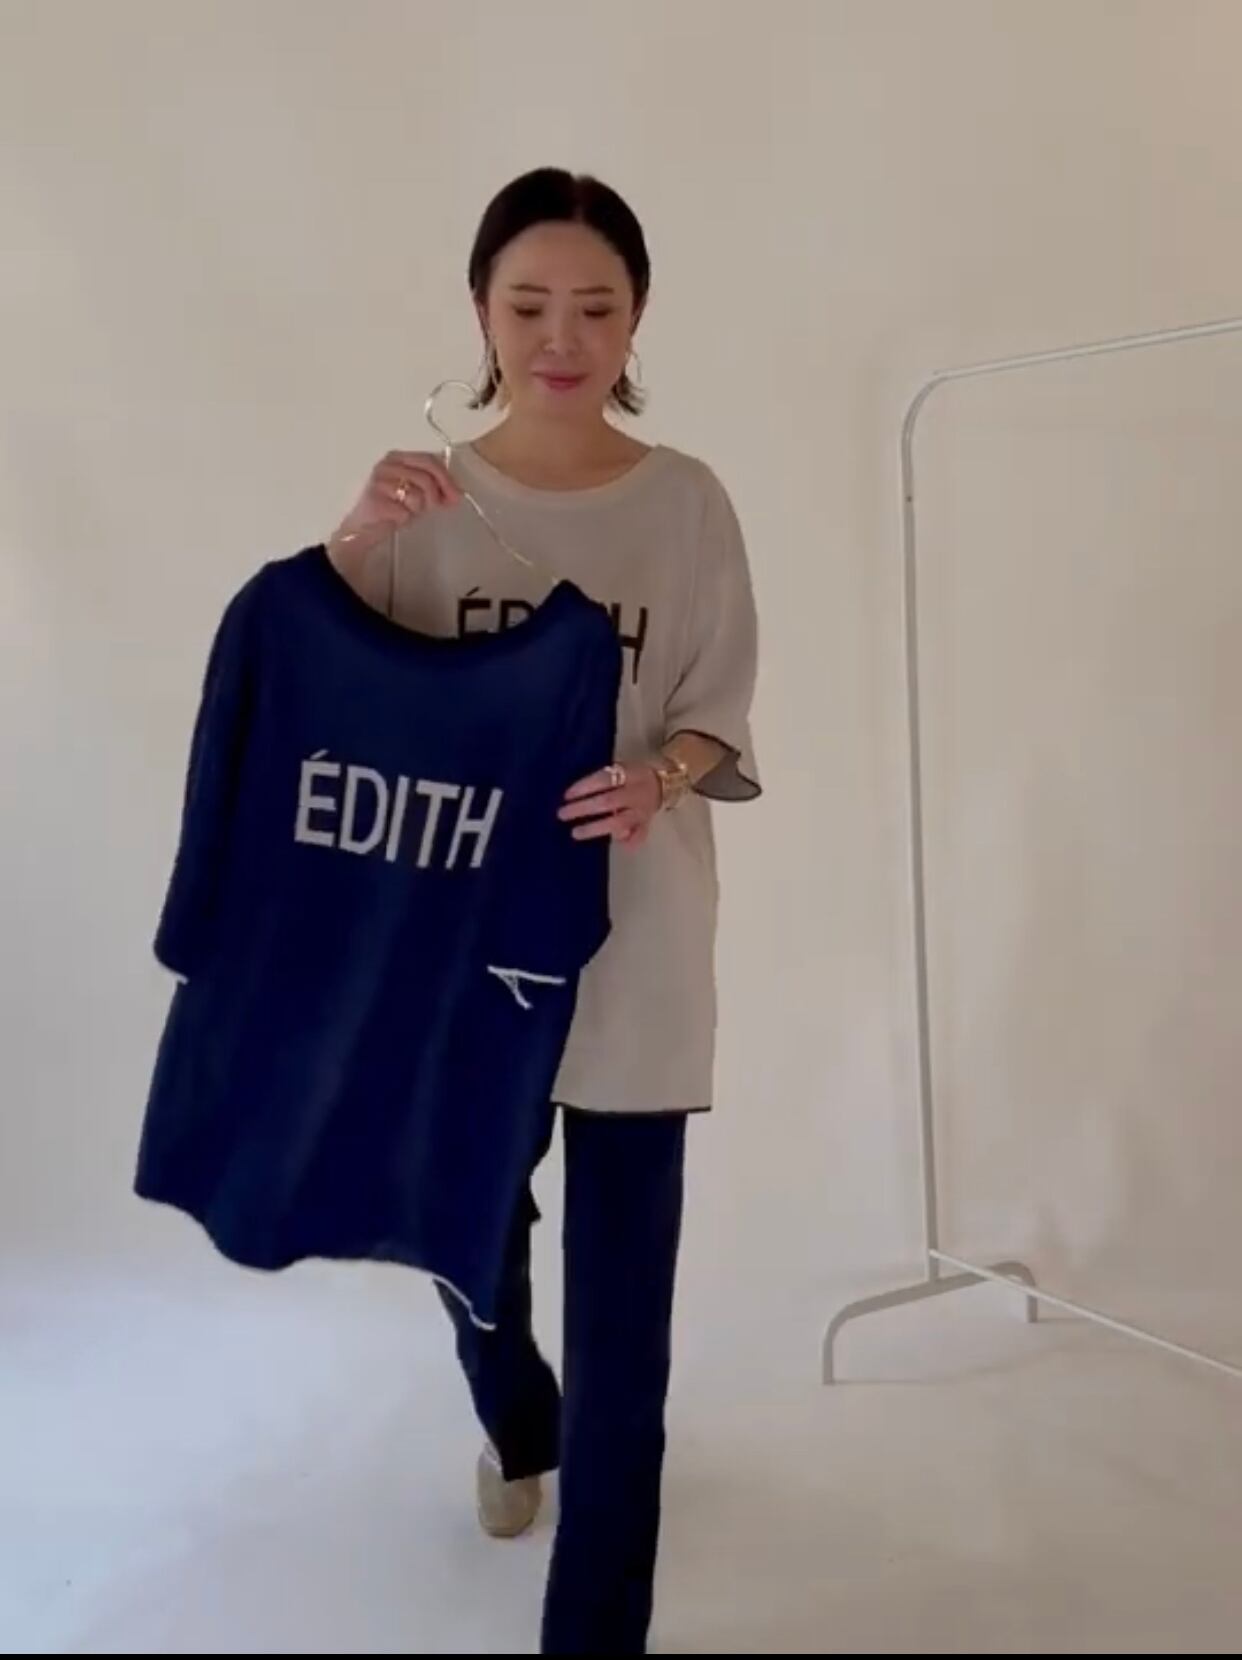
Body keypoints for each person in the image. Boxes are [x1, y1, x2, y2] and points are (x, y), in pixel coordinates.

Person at [326, 168, 760, 1655]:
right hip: (461, 958)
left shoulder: (685, 501)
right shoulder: (426, 502)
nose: (560, 337)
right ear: (481, 313)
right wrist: (350, 543)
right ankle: (518, 1418)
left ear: (636, 318)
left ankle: (596, 1628)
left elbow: (716, 702)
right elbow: (334, 701)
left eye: (594, 306)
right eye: (528, 306)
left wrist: (659, 776)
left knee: (625, 1330)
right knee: (466, 1243)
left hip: (638, 947)